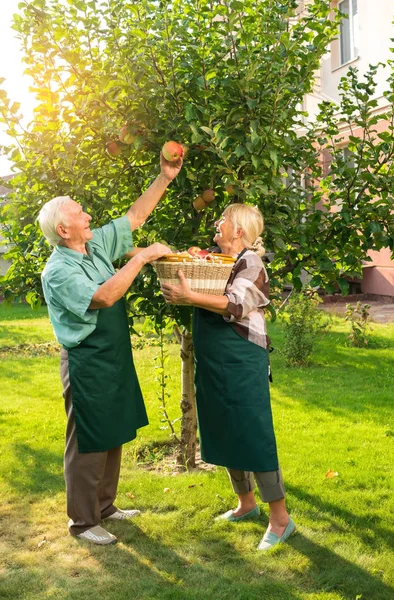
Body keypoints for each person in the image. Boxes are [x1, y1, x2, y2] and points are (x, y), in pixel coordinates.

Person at [37, 154, 181, 545]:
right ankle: (83, 522)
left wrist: (164, 178)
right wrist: (145, 257)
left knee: (113, 430)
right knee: (88, 440)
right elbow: (104, 296)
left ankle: (104, 507)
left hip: (113, 355)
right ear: (64, 229)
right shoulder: (59, 270)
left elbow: (135, 216)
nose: (88, 217)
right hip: (87, 360)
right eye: (80, 214)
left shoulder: (95, 244)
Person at [161, 203, 295, 551]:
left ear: (239, 231)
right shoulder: (215, 262)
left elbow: (235, 304)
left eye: (224, 220)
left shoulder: (251, 263)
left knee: (253, 433)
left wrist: (189, 296)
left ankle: (280, 520)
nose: (217, 223)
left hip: (241, 359)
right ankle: (246, 503)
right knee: (223, 425)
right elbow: (190, 268)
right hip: (214, 358)